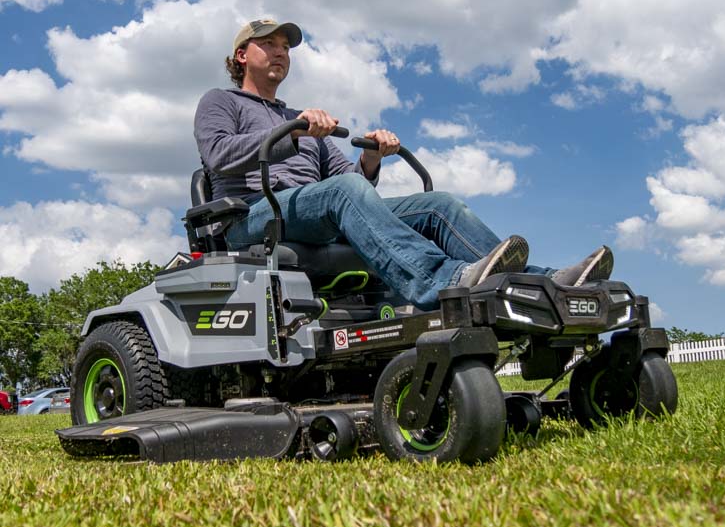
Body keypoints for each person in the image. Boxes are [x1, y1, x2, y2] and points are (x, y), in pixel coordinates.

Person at [194, 19, 613, 310]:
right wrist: (294, 135)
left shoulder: (298, 119)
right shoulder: (220, 101)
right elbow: (218, 155)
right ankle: (442, 282)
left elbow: (353, 186)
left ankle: (543, 282)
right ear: (241, 56)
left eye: (285, 47)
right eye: (269, 44)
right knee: (343, 195)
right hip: (251, 214)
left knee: (439, 205)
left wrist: (371, 157)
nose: (280, 52)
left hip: (309, 209)